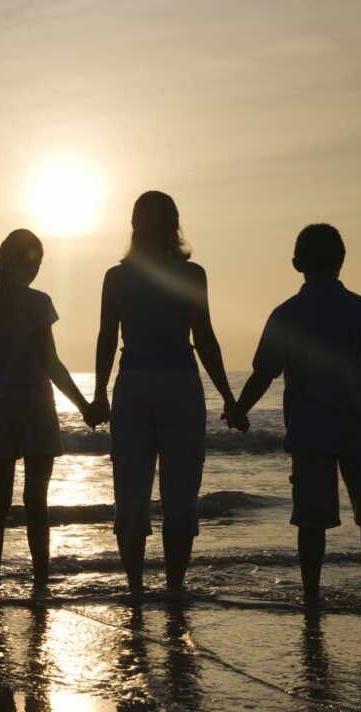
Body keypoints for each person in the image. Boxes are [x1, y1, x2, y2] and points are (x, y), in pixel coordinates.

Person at [227, 223, 361, 606]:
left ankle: (312, 596)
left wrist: (239, 409)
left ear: (296, 263)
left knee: (311, 520)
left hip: (310, 432)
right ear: (342, 261)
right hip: (359, 427)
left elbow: (264, 373)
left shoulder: (287, 313)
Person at [91, 191, 238, 597]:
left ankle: (136, 589)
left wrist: (100, 393)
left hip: (134, 381)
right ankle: (174, 588)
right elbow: (204, 338)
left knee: (131, 492)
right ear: (175, 225)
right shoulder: (191, 275)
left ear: (134, 226)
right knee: (180, 492)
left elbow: (107, 338)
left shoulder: (116, 277)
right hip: (178, 383)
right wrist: (229, 396)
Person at [0, 228, 94, 585]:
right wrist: (84, 405)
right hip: (36, 408)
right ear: (28, 263)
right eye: (37, 261)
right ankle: (40, 576)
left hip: (1, 408)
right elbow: (51, 364)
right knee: (36, 501)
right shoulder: (39, 303)